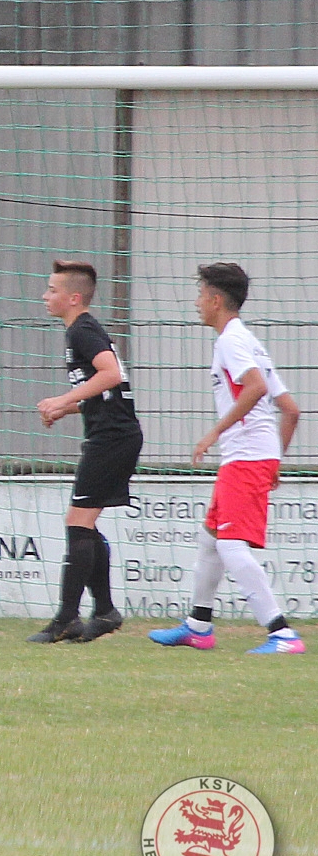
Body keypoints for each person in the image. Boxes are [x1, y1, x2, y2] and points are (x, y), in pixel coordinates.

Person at [150, 262, 304, 654]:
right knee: (211, 539)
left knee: (232, 546)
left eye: (200, 295)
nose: (197, 303)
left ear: (216, 300)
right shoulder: (248, 341)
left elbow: (254, 388)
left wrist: (214, 433)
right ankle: (198, 626)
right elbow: (290, 409)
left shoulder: (231, 342)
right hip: (251, 457)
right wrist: (274, 460)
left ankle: (282, 633)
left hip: (246, 457)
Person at [29, 260, 144, 643]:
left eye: (52, 290)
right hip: (114, 435)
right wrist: (68, 408)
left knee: (78, 523)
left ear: (73, 297)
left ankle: (67, 618)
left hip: (113, 438)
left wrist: (63, 398)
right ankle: (105, 612)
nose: (45, 296)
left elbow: (111, 374)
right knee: (84, 523)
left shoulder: (82, 330)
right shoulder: (81, 330)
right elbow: (107, 392)